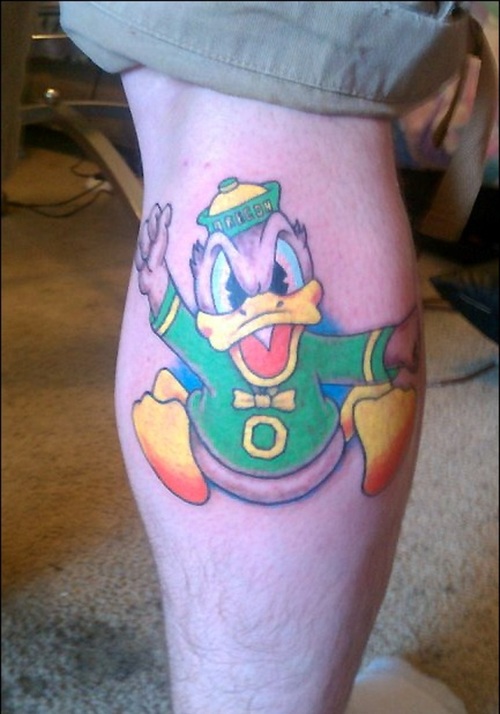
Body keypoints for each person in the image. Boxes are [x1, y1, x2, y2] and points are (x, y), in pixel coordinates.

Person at [58, 3, 495, 713]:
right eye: (235, 285)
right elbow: (187, 332)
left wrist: (383, 357)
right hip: (223, 445)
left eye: (278, 275)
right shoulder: (226, 350)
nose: (261, 300)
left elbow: (357, 349)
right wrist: (161, 289)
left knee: (185, 64)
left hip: (316, 447)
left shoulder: (302, 348)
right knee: (281, 72)